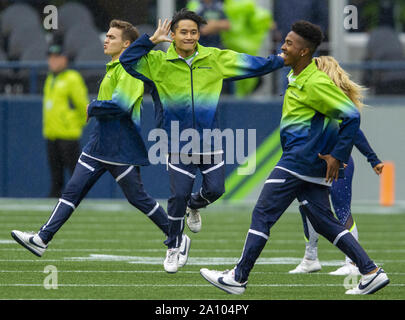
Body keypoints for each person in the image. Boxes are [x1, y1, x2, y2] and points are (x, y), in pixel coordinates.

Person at [200, 21, 390, 295]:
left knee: (263, 213)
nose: (283, 47)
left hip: (298, 161)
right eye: (284, 41)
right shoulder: (298, 77)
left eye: (289, 43)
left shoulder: (315, 82)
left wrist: (337, 156)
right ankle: (371, 271)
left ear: (304, 52)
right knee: (324, 221)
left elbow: (351, 116)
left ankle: (238, 277)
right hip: (306, 164)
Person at [11, 19, 190, 268]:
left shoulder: (129, 69)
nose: (106, 40)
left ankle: (178, 237)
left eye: (112, 37)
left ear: (127, 44)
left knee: (138, 198)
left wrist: (92, 106)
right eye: (106, 36)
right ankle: (42, 238)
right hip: (100, 142)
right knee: (72, 191)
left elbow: (121, 105)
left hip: (120, 145)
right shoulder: (113, 67)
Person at [119, 9, 284, 273]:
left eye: (193, 32)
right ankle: (173, 246)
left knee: (216, 190)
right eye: (183, 32)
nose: (188, 36)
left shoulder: (215, 58)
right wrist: (149, 40)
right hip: (176, 142)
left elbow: (255, 64)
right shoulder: (157, 62)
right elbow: (126, 60)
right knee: (179, 194)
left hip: (210, 141)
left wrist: (282, 60)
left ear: (199, 35)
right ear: (172, 35)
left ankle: (195, 207)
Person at [289, 55, 385, 275]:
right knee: (307, 208)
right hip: (312, 164)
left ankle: (352, 263)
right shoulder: (311, 97)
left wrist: (373, 159)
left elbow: (355, 134)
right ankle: (310, 258)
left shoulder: (334, 100)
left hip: (338, 163)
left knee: (341, 209)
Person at [43, 43, 88, 198]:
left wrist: (76, 125)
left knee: (74, 172)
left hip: (68, 134)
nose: (53, 61)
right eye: (51, 58)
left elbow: (83, 105)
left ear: (64, 59)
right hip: (52, 133)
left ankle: (77, 200)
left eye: (57, 58)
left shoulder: (72, 78)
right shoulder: (50, 78)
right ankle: (55, 205)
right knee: (56, 176)